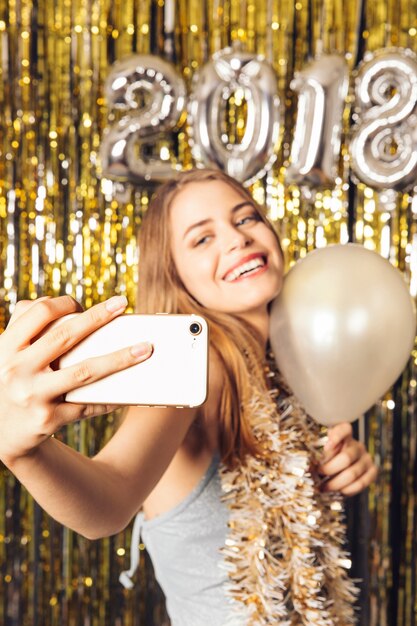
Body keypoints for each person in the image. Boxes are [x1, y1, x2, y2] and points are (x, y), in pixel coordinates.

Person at [0, 169, 377, 626]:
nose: (237, 240)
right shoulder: (201, 368)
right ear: (174, 275)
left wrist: (340, 462)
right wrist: (21, 450)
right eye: (202, 239)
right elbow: (110, 502)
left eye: (246, 218)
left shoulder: (285, 371)